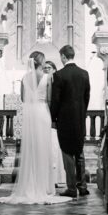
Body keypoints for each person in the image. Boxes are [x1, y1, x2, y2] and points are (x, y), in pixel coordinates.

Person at [3, 52, 67, 205]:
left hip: (30, 114)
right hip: (43, 113)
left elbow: (23, 98)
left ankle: (29, 185)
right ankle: (44, 187)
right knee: (43, 149)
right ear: (41, 61)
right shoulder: (47, 77)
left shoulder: (25, 78)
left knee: (31, 149)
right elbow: (50, 98)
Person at [50, 45, 91, 199]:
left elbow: (56, 100)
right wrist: (82, 111)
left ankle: (72, 188)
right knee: (79, 151)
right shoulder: (84, 74)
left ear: (63, 57)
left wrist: (53, 118)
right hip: (79, 118)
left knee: (67, 152)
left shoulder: (59, 75)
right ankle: (83, 186)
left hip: (64, 119)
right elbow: (87, 96)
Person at [44, 60, 66, 188]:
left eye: (49, 67)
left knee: (55, 146)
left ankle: (57, 177)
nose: (47, 69)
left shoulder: (57, 80)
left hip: (55, 116)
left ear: (54, 69)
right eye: (45, 67)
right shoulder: (43, 79)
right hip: (44, 113)